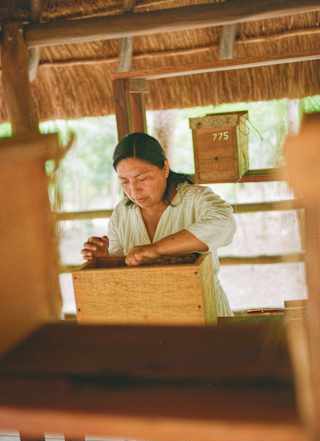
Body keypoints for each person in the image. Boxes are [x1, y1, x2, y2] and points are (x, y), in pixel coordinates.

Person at [82, 132, 236, 317]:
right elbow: (123, 275)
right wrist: (104, 259)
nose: (133, 190)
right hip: (151, 317)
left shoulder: (195, 199)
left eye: (142, 179)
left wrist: (156, 249)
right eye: (124, 182)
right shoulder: (122, 213)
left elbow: (225, 224)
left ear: (164, 168)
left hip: (205, 312)